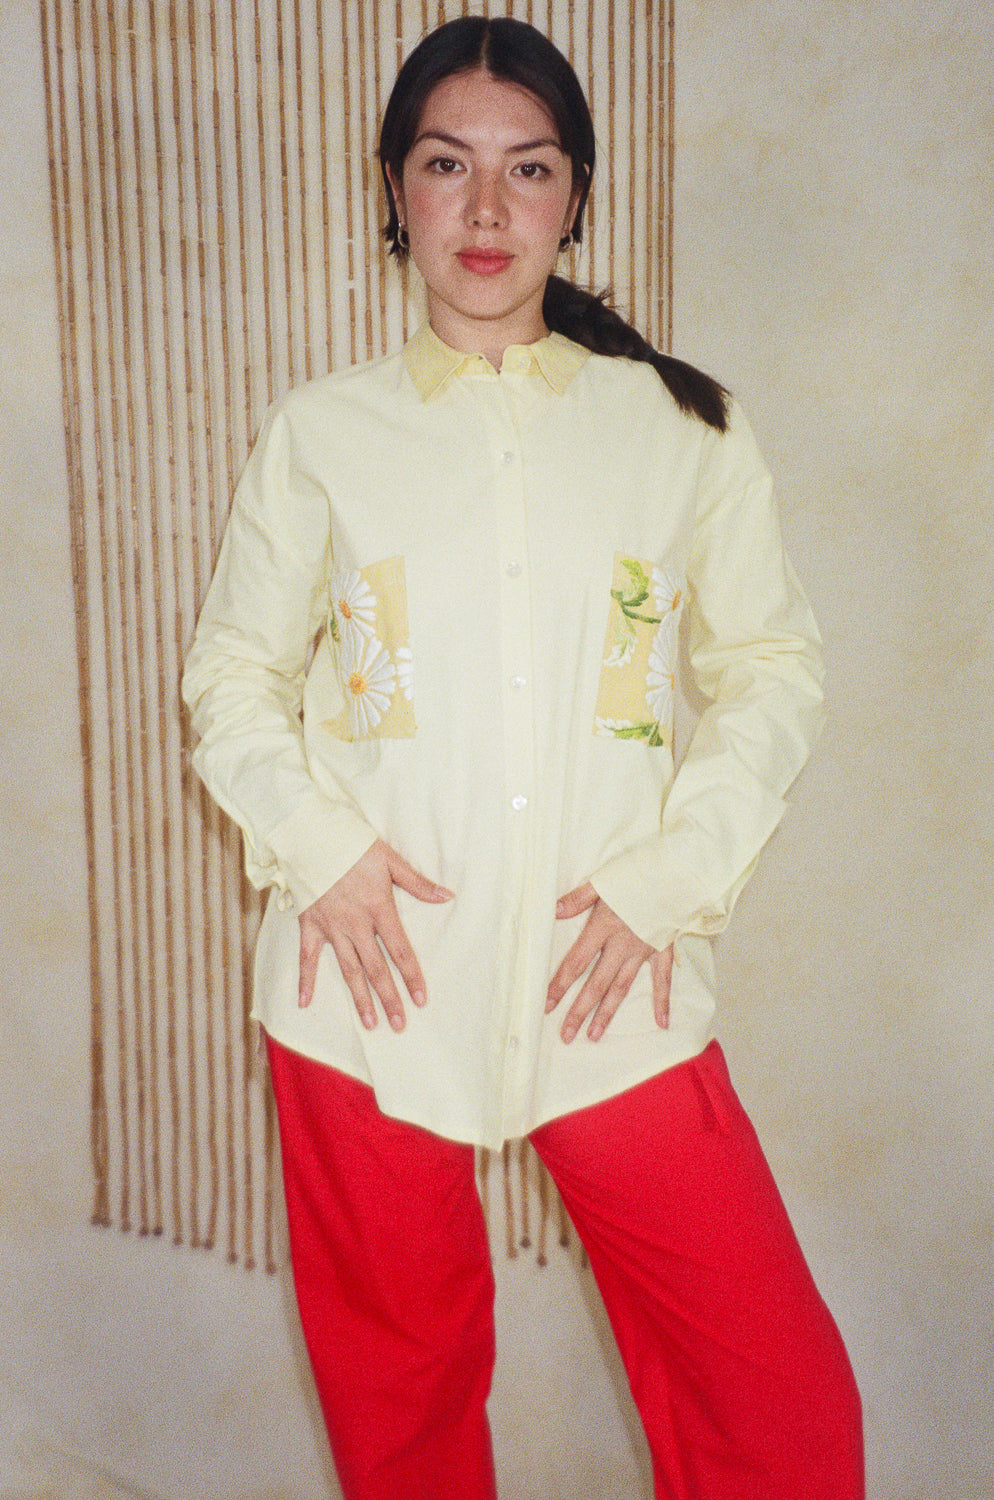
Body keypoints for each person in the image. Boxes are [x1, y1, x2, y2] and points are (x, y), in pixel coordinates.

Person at [183, 16, 863, 1500]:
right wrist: (323, 853)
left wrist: (667, 879)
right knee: (400, 1412)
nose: (485, 213)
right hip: (365, 991)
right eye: (447, 166)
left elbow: (769, 672)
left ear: (576, 198)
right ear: (395, 189)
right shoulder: (319, 436)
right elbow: (231, 676)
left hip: (607, 981)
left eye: (527, 169)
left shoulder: (684, 433)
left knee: (774, 1405)